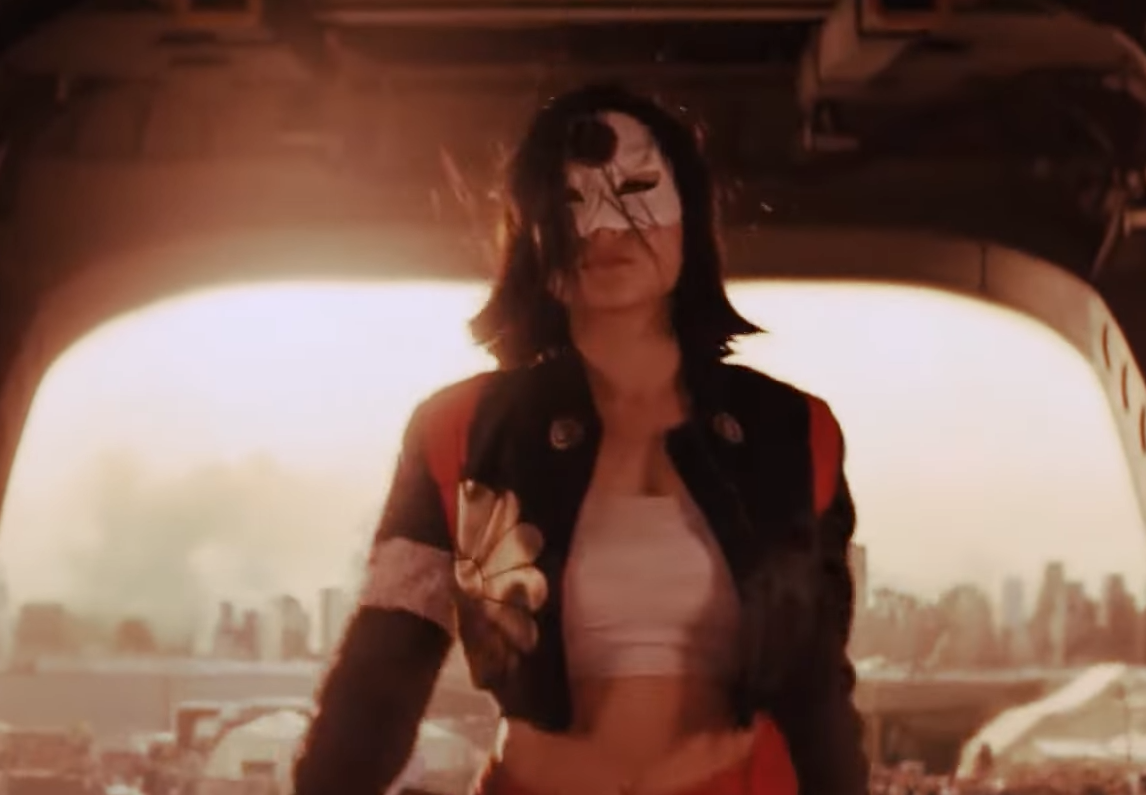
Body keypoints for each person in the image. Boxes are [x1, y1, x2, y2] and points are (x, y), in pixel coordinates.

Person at [293, 83, 867, 795]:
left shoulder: (795, 431)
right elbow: (384, 665)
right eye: (569, 202)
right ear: (532, 232)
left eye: (638, 190)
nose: (605, 228)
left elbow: (816, 685)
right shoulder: (460, 431)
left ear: (689, 215)